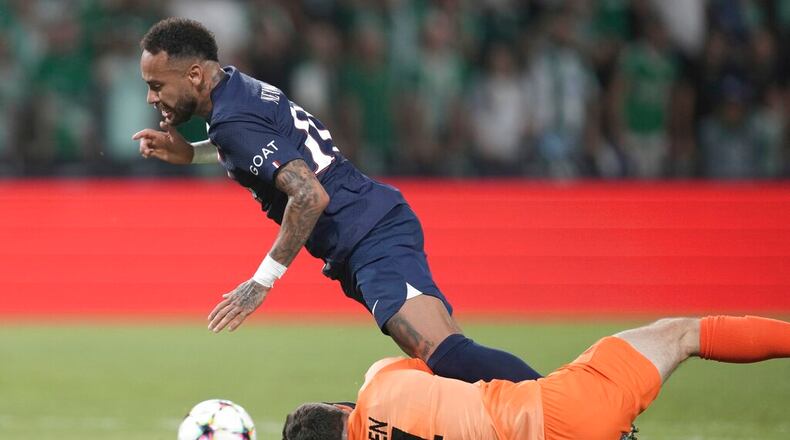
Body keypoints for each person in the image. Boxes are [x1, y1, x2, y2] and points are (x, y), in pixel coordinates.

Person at [131, 17, 541, 383]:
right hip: (367, 227)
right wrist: (191, 153)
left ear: (196, 75)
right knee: (447, 359)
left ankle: (565, 405)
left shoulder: (232, 120)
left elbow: (310, 195)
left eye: (156, 85)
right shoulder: (236, 88)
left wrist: (261, 282)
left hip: (370, 233)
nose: (152, 98)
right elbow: (260, 143)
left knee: (446, 355)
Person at [283, 314, 790, 440]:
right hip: (561, 407)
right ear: (339, 409)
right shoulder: (380, 382)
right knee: (682, 334)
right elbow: (452, 361)